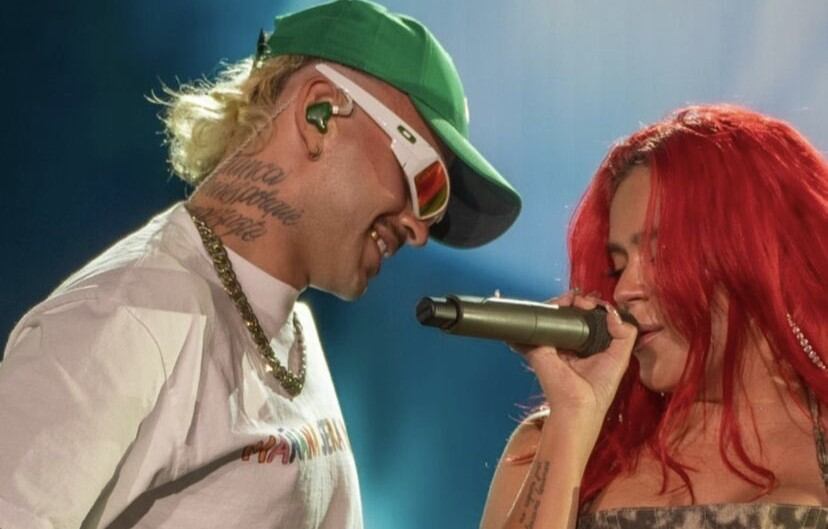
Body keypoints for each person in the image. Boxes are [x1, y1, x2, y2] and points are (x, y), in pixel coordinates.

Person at [0, 1, 521, 528]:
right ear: (320, 113)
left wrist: (562, 420)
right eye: (425, 181)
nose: (419, 228)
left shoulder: (293, 332)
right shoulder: (125, 318)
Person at [480, 104, 828, 529]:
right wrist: (571, 420)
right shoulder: (548, 446)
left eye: (661, 254)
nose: (625, 289)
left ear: (754, 251)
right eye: (617, 266)